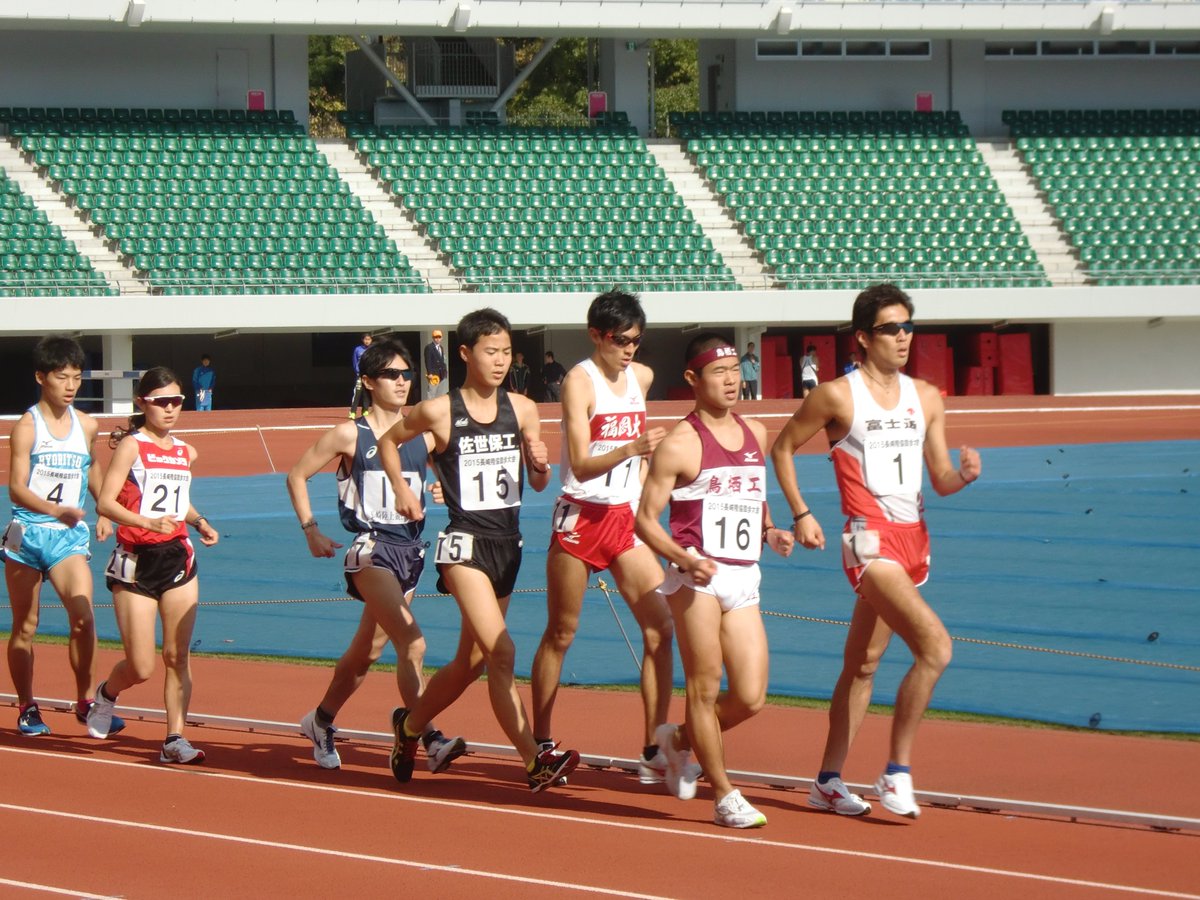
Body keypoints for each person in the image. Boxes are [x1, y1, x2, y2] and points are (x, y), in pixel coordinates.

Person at [771, 283, 982, 819]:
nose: (904, 336)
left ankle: (826, 780)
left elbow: (939, 479)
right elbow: (783, 447)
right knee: (935, 648)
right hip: (869, 542)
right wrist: (801, 512)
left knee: (864, 664)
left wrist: (963, 475)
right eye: (891, 328)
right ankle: (897, 771)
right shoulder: (837, 396)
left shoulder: (926, 397)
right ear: (863, 338)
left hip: (915, 542)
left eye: (909, 326)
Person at [377, 308, 579, 792]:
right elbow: (389, 441)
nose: (501, 360)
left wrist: (541, 466)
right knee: (502, 652)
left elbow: (536, 478)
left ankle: (408, 727)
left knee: (470, 664)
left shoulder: (524, 408)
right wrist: (406, 490)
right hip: (463, 544)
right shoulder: (441, 410)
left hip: (507, 545)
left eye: (507, 351)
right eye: (491, 351)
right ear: (465, 353)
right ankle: (534, 760)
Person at [635, 334, 795, 829]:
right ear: (692, 380)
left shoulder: (758, 432)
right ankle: (724, 793)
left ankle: (678, 741)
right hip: (695, 578)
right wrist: (684, 557)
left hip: (743, 575)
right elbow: (644, 519)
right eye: (718, 372)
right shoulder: (680, 443)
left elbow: (753, 491)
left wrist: (770, 528)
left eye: (734, 370)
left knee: (750, 696)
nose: (731, 380)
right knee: (704, 689)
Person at [286, 338, 466, 773]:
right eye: (392, 374)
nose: (403, 382)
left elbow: (443, 480)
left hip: (410, 552)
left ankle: (321, 720)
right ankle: (428, 735)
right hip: (371, 550)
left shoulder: (421, 433)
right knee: (413, 642)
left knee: (366, 654)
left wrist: (440, 489)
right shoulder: (352, 433)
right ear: (368, 381)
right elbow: (297, 474)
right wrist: (311, 529)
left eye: (407, 374)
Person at [531, 290, 674, 782]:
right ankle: (542, 740)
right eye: (621, 341)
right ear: (597, 335)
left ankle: (655, 746)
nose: (630, 349)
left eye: (637, 340)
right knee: (562, 632)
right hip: (581, 517)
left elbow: (645, 456)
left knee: (660, 628)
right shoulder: (579, 382)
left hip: (624, 520)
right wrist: (632, 447)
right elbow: (584, 462)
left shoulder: (643, 378)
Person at [88, 367, 220, 764]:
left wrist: (198, 521)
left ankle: (174, 739)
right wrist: (146, 522)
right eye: (161, 401)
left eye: (176, 401)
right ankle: (107, 695)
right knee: (142, 665)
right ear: (142, 403)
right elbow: (106, 503)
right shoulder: (131, 446)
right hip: (134, 562)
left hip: (177, 558)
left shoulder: (185, 450)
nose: (169, 409)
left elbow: (177, 501)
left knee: (177, 657)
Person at [4, 336, 124, 737]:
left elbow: (92, 469)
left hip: (68, 538)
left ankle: (87, 701)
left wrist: (104, 507)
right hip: (26, 535)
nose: (71, 386)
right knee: (25, 624)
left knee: (83, 619)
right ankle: (26, 705)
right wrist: (55, 508)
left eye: (76, 377)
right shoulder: (26, 427)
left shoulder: (87, 425)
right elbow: (16, 488)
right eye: (62, 377)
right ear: (42, 378)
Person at [349, 333, 373, 419]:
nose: (367, 341)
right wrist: (357, 372)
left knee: (367, 392)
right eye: (365, 339)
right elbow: (354, 361)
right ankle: (352, 412)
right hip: (360, 374)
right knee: (357, 392)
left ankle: (365, 410)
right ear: (363, 340)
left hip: (369, 374)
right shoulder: (357, 349)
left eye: (369, 339)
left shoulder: (373, 350)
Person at [423, 329, 448, 401]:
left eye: (439, 337)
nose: (437, 339)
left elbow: (442, 360)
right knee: (431, 393)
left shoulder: (441, 348)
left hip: (442, 373)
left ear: (441, 338)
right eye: (435, 337)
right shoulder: (429, 347)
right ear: (433, 338)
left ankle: (437, 409)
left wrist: (445, 371)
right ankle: (429, 409)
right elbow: (427, 361)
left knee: (440, 393)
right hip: (434, 374)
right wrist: (429, 373)